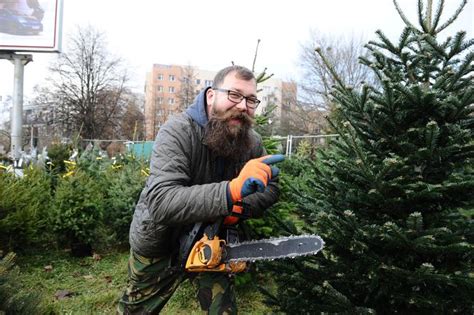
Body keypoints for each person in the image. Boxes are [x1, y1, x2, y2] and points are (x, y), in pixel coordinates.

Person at [117, 65, 284, 314]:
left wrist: (238, 208)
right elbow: (163, 201)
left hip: (211, 242)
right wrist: (230, 192)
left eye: (250, 99)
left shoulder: (251, 141)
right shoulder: (176, 132)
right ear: (211, 95)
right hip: (162, 242)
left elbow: (271, 187)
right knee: (136, 310)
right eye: (234, 94)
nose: (242, 106)